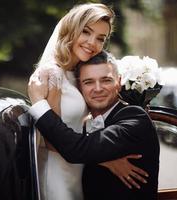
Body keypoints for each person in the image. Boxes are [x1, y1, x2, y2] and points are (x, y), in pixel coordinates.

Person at [31, 3, 146, 200]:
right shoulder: (53, 74)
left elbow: (84, 123)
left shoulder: (77, 74)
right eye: (86, 32)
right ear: (72, 30)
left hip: (76, 168)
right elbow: (51, 139)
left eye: (100, 38)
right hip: (57, 171)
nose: (92, 43)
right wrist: (107, 161)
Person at [28, 51, 160, 200]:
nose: (98, 89)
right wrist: (106, 161)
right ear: (80, 87)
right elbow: (66, 145)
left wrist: (39, 103)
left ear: (119, 81)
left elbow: (77, 149)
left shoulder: (135, 118)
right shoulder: (83, 125)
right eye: (88, 82)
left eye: (106, 80)